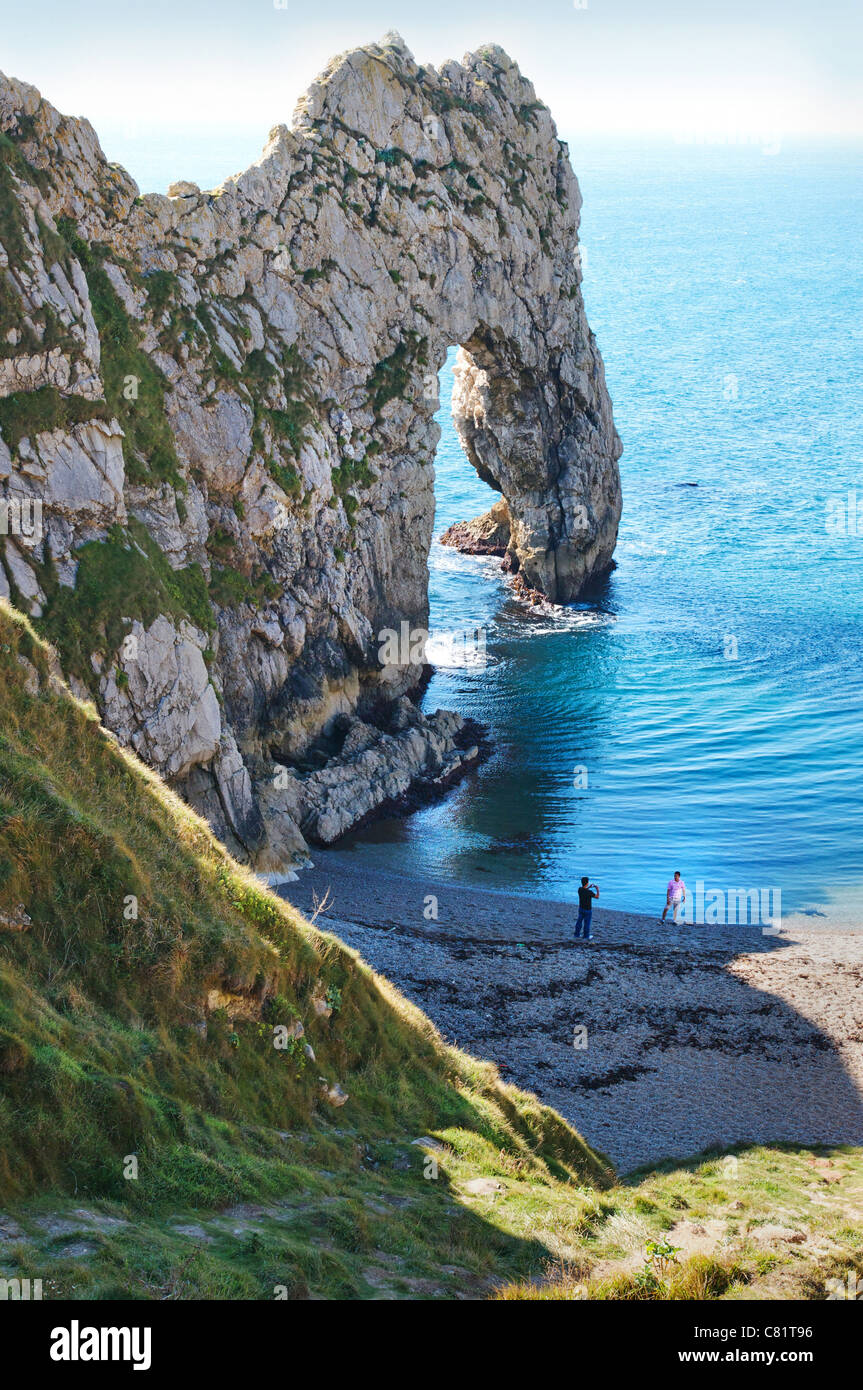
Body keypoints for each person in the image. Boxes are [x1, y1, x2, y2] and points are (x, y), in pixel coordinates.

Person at [575, 875, 599, 940]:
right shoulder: (589, 892)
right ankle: (586, 936)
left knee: (579, 922)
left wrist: (589, 887)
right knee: (587, 923)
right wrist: (597, 889)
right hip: (588, 910)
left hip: (581, 908)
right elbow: (597, 897)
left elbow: (584, 890)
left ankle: (576, 935)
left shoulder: (579, 889)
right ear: (587, 883)